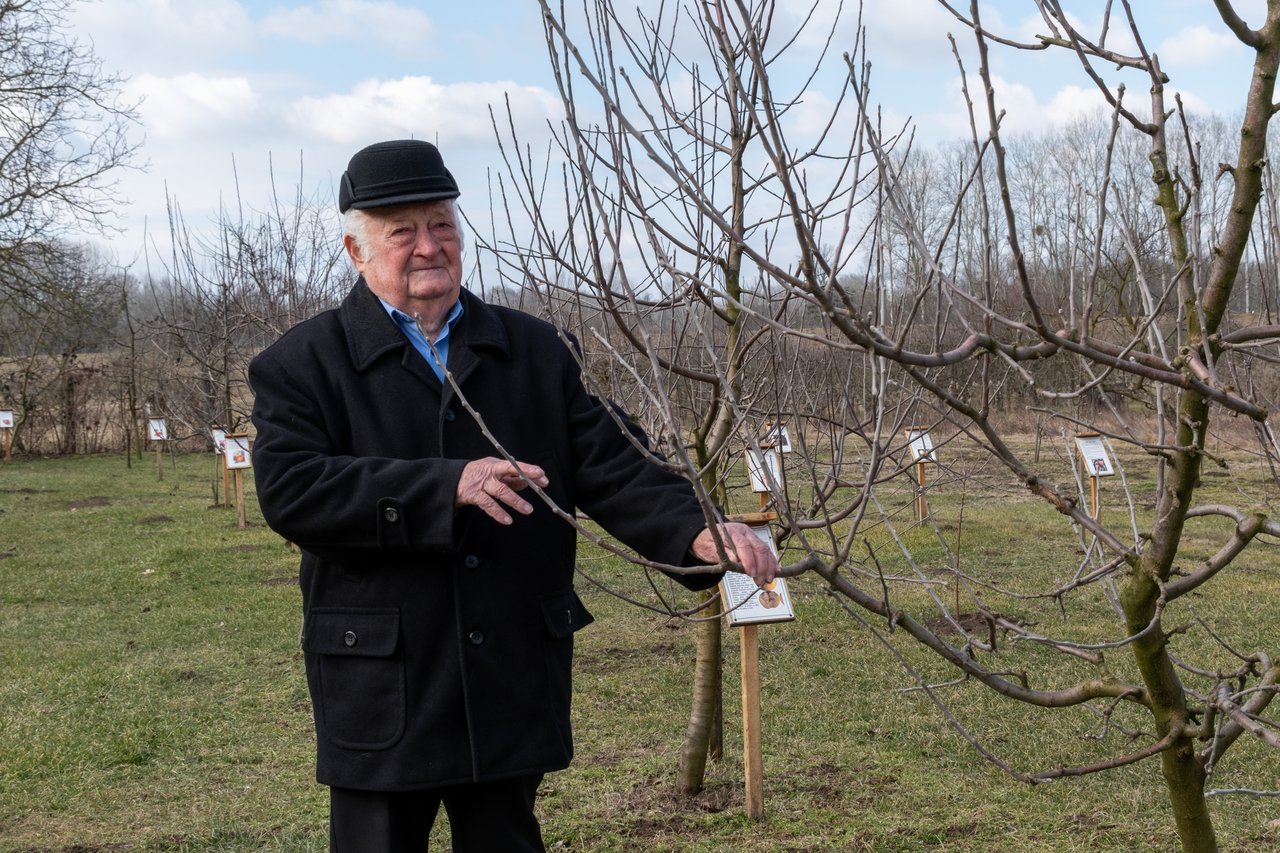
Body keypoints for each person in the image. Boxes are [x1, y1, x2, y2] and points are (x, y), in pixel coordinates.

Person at [248, 138, 779, 852]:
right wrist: (446, 485)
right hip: (384, 683)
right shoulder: (302, 363)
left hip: (507, 671)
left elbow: (613, 463)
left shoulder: (535, 350)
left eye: (441, 224)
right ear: (355, 250)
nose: (427, 246)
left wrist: (696, 529)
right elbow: (292, 489)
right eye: (401, 232)